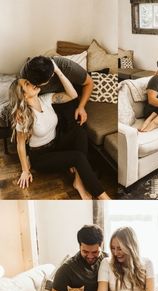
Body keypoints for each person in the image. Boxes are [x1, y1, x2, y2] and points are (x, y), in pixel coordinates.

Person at [9, 59, 109, 200]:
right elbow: (20, 144)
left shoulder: (46, 99)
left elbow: (73, 95)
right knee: (78, 157)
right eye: (27, 84)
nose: (33, 83)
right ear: (23, 95)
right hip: (41, 157)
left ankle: (78, 182)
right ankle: (104, 198)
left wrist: (57, 70)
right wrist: (25, 171)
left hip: (56, 145)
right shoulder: (23, 115)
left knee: (80, 132)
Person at [20, 55, 93, 125]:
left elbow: (89, 83)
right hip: (49, 100)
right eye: (29, 84)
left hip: (68, 93)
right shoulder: (25, 73)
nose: (33, 86)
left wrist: (81, 107)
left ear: (52, 76)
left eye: (37, 85)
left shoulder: (67, 66)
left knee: (74, 124)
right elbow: (20, 93)